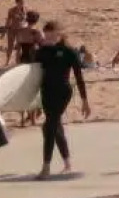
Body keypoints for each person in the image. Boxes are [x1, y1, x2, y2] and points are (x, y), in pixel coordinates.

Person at [35, 20, 89, 178]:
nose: (49, 39)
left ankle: (46, 167)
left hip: (62, 92)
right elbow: (35, 78)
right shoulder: (41, 52)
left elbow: (79, 77)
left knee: (50, 126)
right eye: (47, 36)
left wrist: (84, 100)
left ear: (60, 34)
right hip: (46, 92)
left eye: (53, 36)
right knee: (53, 126)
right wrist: (35, 102)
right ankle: (67, 163)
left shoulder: (69, 52)